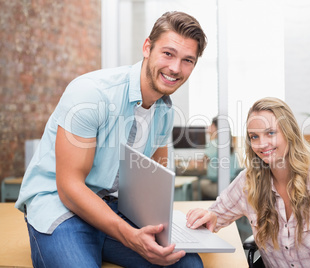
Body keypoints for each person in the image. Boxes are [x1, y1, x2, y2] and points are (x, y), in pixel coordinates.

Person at [15, 11, 207, 267]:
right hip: (62, 208)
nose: (175, 68)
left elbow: (153, 183)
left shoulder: (164, 111)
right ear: (147, 47)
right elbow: (69, 187)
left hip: (115, 209)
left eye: (187, 60)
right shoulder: (91, 93)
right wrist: (130, 237)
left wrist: (176, 227)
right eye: (168, 53)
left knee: (188, 263)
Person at [186, 97, 310, 267]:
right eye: (254, 137)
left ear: (289, 132)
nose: (262, 144)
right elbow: (216, 215)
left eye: (270, 133)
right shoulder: (248, 181)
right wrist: (207, 217)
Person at [200, 116, 240, 199]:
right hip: (232, 185)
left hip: (219, 186)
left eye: (211, 125)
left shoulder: (214, 143)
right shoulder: (229, 144)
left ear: (216, 128)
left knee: (198, 184)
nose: (208, 127)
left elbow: (201, 164)